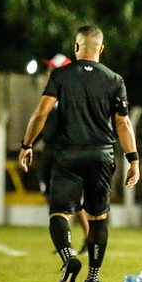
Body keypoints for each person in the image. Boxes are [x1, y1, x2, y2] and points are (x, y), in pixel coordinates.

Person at [19, 25, 140, 282]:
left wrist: (27, 144)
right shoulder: (114, 79)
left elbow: (41, 114)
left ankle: (68, 258)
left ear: (76, 47)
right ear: (101, 48)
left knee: (59, 213)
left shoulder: (61, 75)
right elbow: (124, 124)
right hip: (101, 155)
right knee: (98, 218)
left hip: (68, 154)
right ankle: (93, 279)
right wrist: (134, 160)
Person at [38, 54, 90, 254]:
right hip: (50, 150)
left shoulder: (74, 94)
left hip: (67, 151)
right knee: (51, 197)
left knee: (74, 198)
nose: (50, 72)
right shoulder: (53, 93)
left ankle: (89, 238)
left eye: (54, 68)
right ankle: (63, 242)